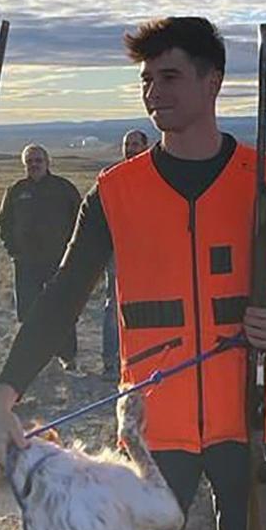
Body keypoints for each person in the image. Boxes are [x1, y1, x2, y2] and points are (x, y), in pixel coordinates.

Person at [0, 17, 266, 530]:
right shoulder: (114, 191)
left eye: (169, 77)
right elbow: (62, 297)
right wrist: (3, 393)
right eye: (146, 79)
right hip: (154, 427)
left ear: (212, 82)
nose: (153, 92)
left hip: (253, 412)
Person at [0, 143, 82, 368]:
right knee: (28, 312)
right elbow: (4, 222)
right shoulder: (16, 191)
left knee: (62, 308)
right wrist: (13, 250)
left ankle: (67, 356)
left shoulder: (63, 188)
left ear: (47, 162)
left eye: (38, 160)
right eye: (29, 161)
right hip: (26, 263)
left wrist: (73, 252)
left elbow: (80, 220)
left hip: (59, 261)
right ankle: (32, 359)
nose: (34, 165)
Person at [100, 128, 150, 379]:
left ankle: (142, 360)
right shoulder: (112, 177)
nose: (130, 149)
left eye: (135, 144)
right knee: (114, 306)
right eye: (127, 144)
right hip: (117, 251)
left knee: (149, 305)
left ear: (145, 147)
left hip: (149, 251)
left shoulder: (155, 177)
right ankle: (111, 362)